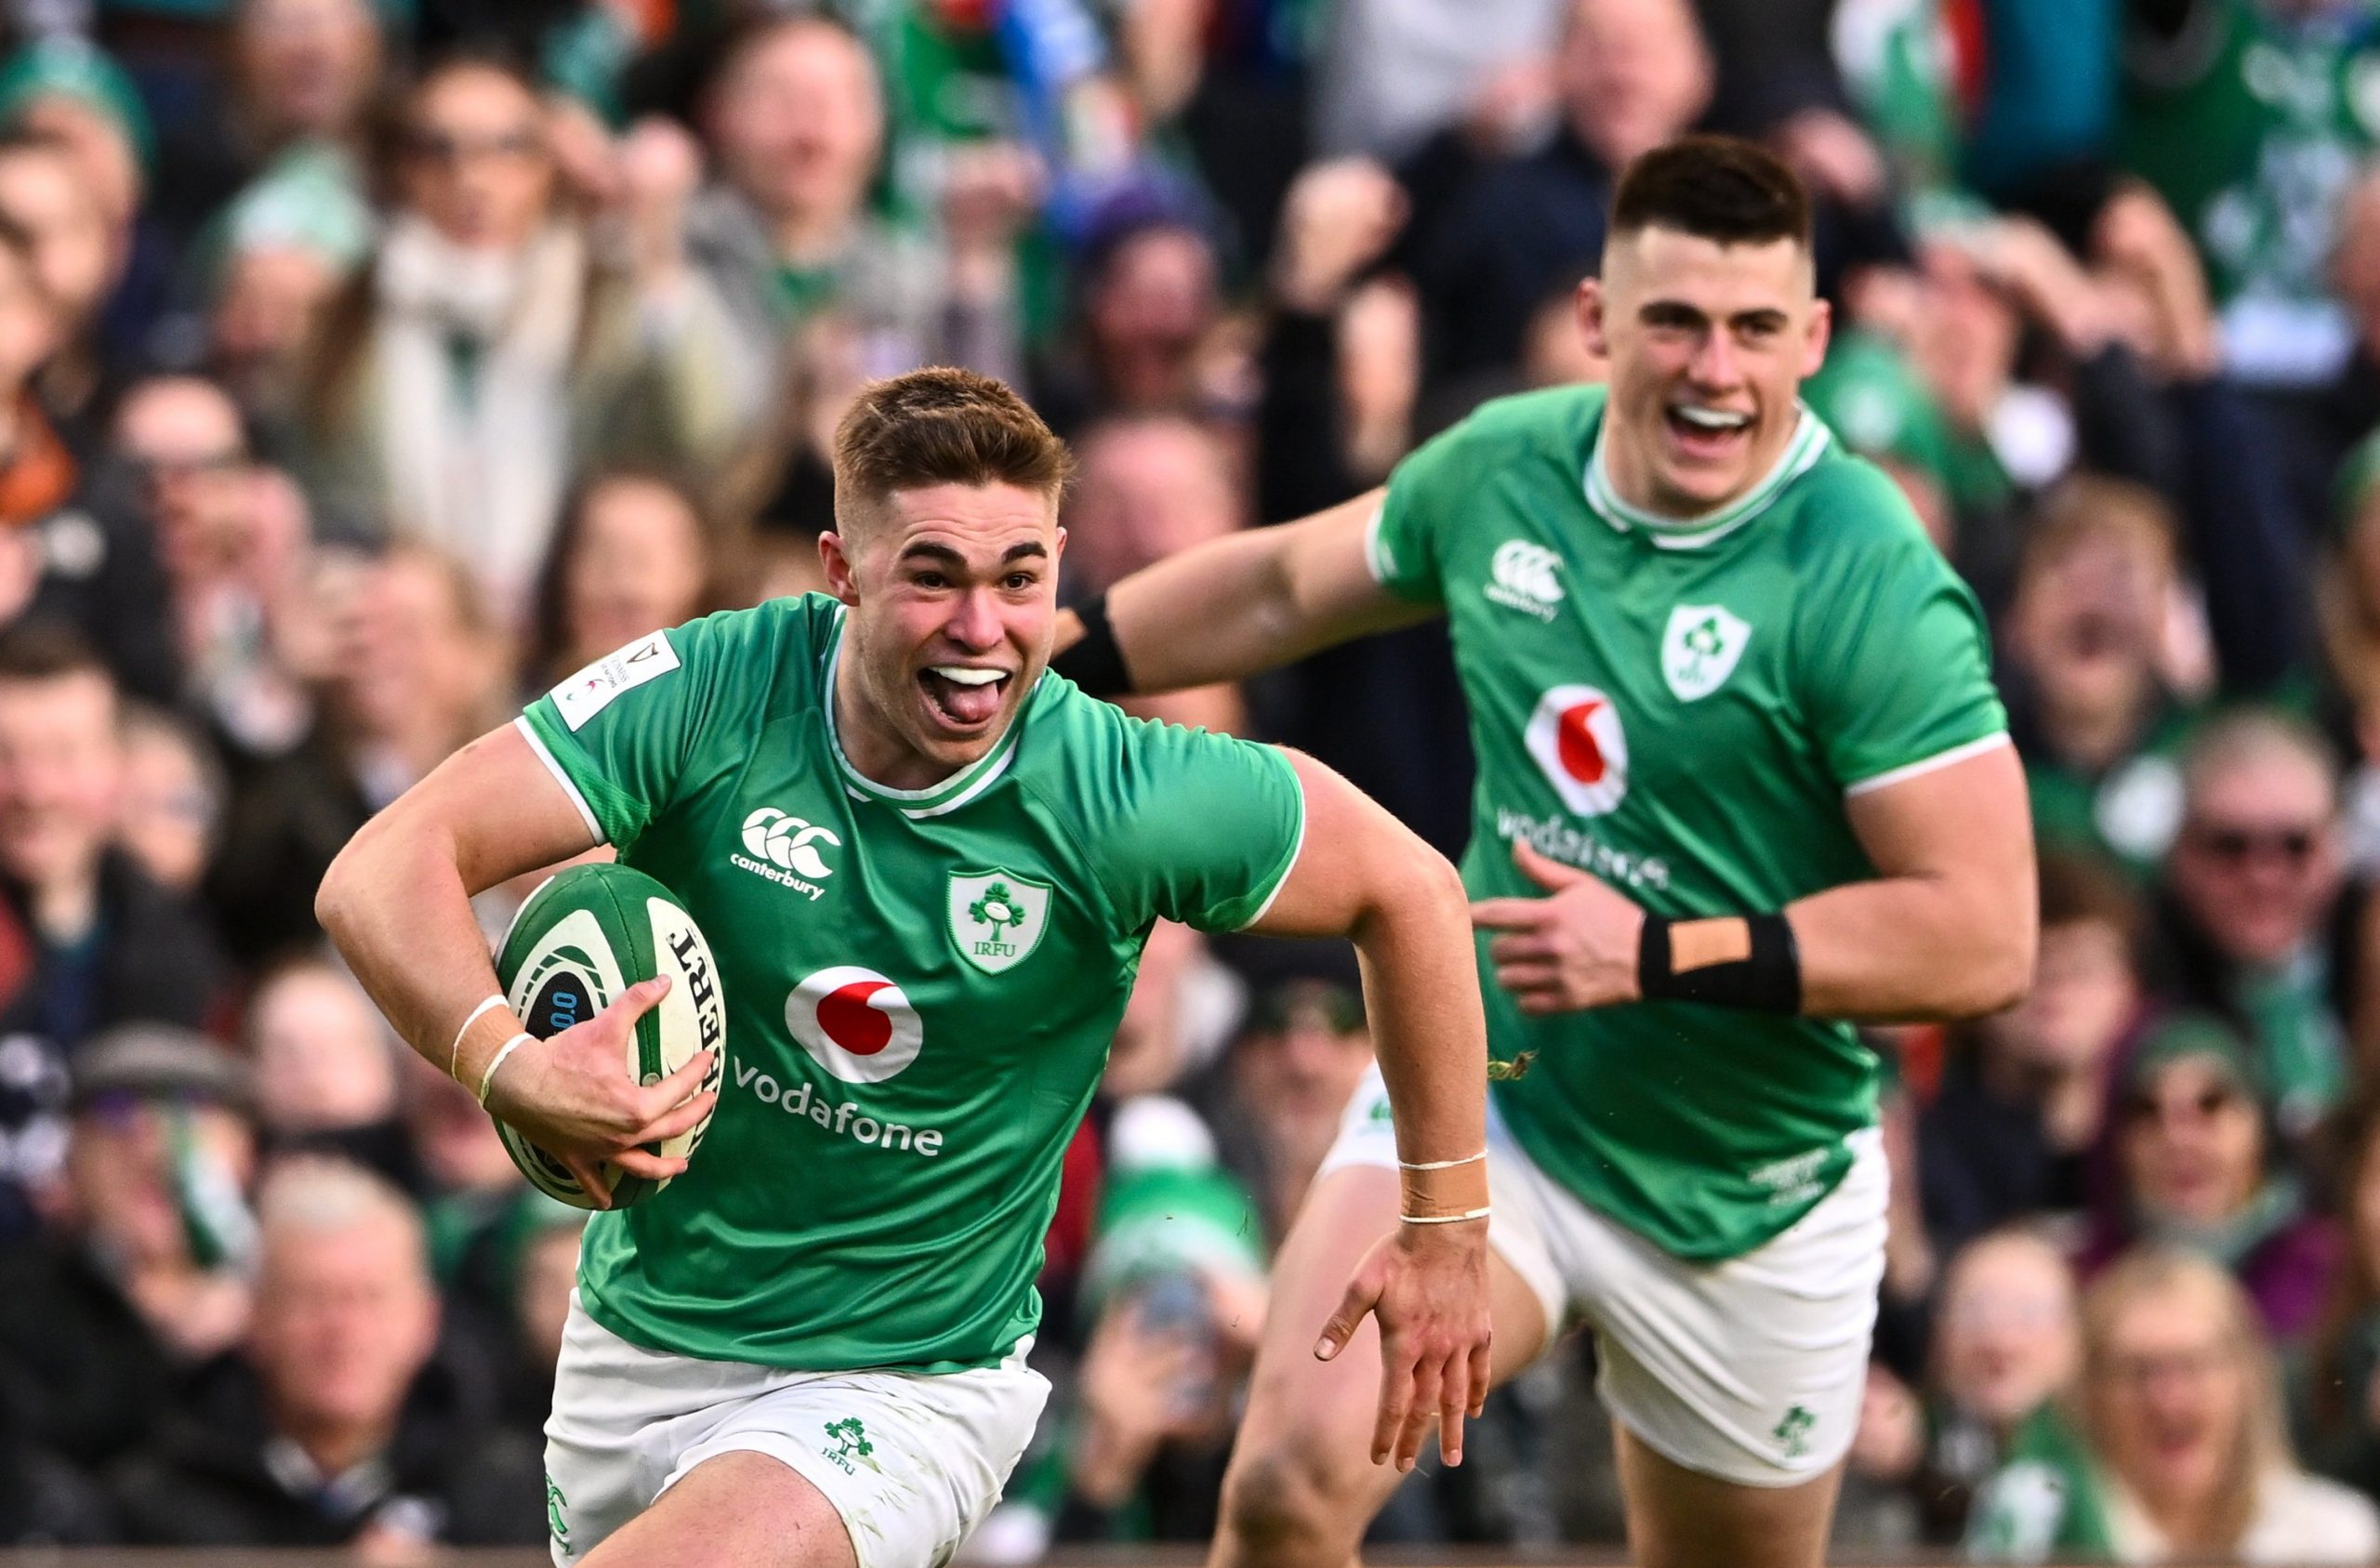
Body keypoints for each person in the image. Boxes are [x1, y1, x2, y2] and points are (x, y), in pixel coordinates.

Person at [314, 366, 1497, 1568]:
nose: (983, 631)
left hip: (906, 1381)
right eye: (933, 575)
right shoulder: (717, 687)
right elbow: (384, 865)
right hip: (641, 1342)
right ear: (841, 569)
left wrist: (1446, 1228)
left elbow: (1411, 892)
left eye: (1020, 580)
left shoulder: (1117, 790)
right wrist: (506, 1061)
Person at [1052, 135, 2036, 1568]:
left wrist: (1652, 955)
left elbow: (1985, 934)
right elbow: (1274, 587)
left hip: (1748, 1187)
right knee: (1284, 1488)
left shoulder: (1868, 575)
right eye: (1676, 322)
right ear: (1596, 322)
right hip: (1493, 1098)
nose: (1715, 369)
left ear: (1814, 338)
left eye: (1757, 328)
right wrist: (1028, 669)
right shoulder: (1510, 468)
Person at [1967, 1246, 2380, 1563]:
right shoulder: (2034, 1525)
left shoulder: (2330, 1538)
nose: (2167, 1398)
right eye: (2137, 1370)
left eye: (2194, 1365)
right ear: (2091, 1393)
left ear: (2248, 1381)